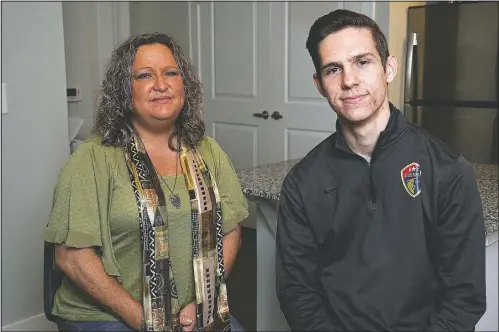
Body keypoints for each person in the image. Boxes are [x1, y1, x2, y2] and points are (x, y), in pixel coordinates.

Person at [275, 9, 486, 331]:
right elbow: (297, 291)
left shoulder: (448, 171)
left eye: (362, 62)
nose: (349, 81)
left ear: (389, 68)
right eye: (334, 69)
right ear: (319, 85)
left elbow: (464, 296)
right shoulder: (303, 182)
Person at [42, 32, 249, 332]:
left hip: (191, 313)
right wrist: (144, 320)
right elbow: (72, 257)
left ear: (184, 84)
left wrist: (205, 300)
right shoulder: (92, 159)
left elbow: (231, 231)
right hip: (109, 315)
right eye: (144, 75)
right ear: (124, 90)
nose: (161, 85)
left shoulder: (208, 151)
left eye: (170, 73)